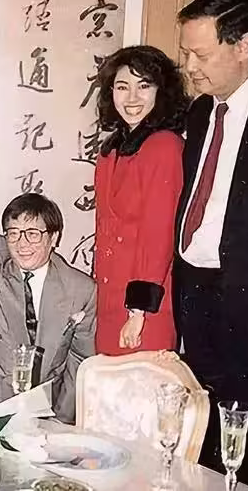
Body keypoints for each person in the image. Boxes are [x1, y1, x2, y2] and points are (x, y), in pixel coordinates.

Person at [174, 0, 248, 488]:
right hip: (197, 292)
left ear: (243, 46)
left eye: (200, 54)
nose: (189, 67)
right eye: (185, 53)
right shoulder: (200, 113)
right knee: (203, 429)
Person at [0, 124, 97, 422]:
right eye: (13, 233)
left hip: (44, 407)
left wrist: (62, 417)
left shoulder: (80, 289)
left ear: (54, 238)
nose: (22, 244)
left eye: (33, 234)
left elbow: (81, 359)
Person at [94, 46, 189, 355]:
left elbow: (158, 235)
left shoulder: (165, 147)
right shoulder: (110, 151)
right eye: (122, 87)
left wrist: (138, 312)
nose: (132, 98)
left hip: (146, 307)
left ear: (161, 91)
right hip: (110, 301)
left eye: (143, 85)